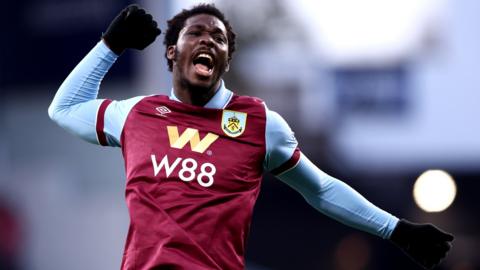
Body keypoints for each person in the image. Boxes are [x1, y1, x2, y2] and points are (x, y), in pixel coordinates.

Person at [48, 3, 454, 270]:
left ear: (225, 59)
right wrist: (110, 46)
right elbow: (63, 109)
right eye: (195, 34)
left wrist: (396, 229)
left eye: (219, 38)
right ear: (172, 51)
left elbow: (320, 189)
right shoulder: (137, 115)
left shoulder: (260, 123)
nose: (208, 39)